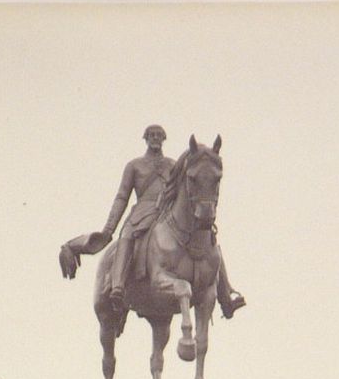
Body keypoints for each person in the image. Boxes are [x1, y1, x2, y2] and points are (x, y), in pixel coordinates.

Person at [98, 125, 245, 319]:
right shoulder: (134, 165)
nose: (155, 138)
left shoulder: (172, 164)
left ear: (164, 139)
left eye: (159, 136)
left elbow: (185, 187)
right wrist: (109, 228)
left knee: (209, 238)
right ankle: (117, 286)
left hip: (167, 208)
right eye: (152, 135)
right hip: (142, 212)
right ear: (145, 138)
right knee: (126, 235)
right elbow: (122, 197)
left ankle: (226, 296)